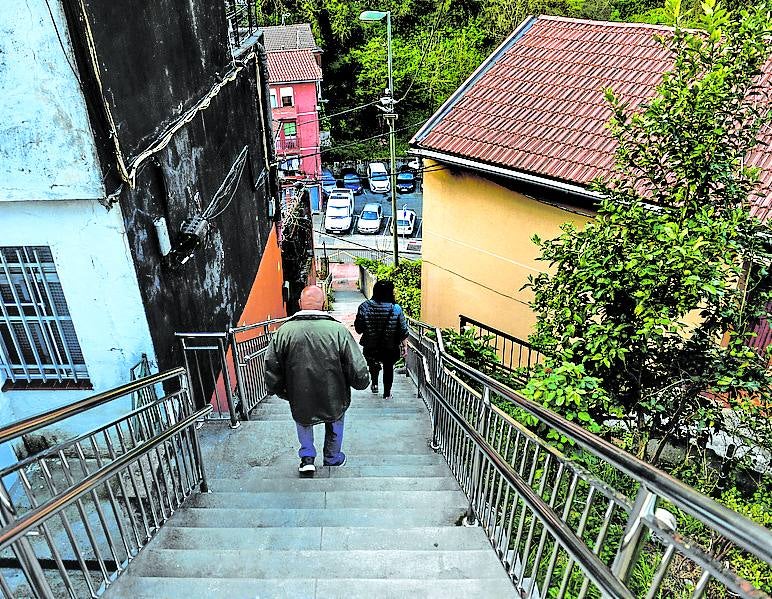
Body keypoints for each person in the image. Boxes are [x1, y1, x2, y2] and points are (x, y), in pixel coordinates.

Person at [265, 286, 369, 478]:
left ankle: (307, 458)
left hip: (299, 390)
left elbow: (272, 363)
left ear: (299, 304)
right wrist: (362, 381)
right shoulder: (338, 330)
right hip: (334, 390)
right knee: (335, 420)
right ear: (324, 304)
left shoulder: (284, 331)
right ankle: (332, 457)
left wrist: (278, 389)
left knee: (303, 420)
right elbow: (356, 363)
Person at [354, 280, 409, 401]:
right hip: (390, 346)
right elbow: (403, 330)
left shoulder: (364, 306)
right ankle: (387, 393)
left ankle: (374, 383)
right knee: (388, 367)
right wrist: (405, 347)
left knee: (373, 363)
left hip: (370, 345)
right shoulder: (396, 308)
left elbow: (358, 329)